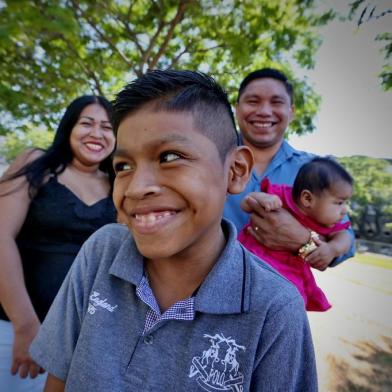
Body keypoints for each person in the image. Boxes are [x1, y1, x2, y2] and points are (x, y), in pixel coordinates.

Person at [29, 70, 317, 391]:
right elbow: (57, 380)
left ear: (235, 171)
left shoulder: (274, 308)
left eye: (170, 157)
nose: (136, 188)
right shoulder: (101, 252)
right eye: (123, 166)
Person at [0, 95, 117, 391]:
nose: (97, 133)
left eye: (107, 127)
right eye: (87, 123)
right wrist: (25, 325)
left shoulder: (119, 184)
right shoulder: (36, 163)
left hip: (82, 342)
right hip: (14, 328)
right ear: (68, 127)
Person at [224, 67, 355, 271]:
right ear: (237, 108)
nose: (264, 111)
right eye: (253, 101)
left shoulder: (317, 171)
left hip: (283, 292)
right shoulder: (208, 159)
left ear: (291, 111)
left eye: (276, 102)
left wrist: (303, 240)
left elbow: (346, 239)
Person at [239, 157, 353, 311]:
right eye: (339, 203)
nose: (345, 210)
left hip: (290, 271)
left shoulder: (328, 221)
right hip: (249, 258)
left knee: (291, 302)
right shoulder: (281, 196)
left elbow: (345, 237)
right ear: (307, 198)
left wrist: (332, 249)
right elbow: (246, 203)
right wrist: (264, 198)